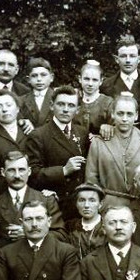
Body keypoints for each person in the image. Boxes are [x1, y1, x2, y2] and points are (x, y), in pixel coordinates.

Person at [24, 85, 89, 218]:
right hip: (53, 205)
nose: (65, 109)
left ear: (77, 110)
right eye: (61, 104)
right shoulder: (38, 135)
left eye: (71, 105)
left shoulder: (82, 133)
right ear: (52, 106)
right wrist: (63, 171)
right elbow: (32, 175)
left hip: (79, 205)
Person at [83, 94, 140, 205]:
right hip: (108, 205)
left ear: (136, 115)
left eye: (129, 114)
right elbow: (91, 179)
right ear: (113, 114)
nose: (124, 119)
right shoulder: (98, 142)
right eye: (120, 113)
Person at [0, 149, 63, 250]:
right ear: (3, 172)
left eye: (21, 169)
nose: (17, 175)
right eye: (11, 170)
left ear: (29, 171)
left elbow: (61, 235)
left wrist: (29, 234)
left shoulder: (46, 200)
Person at [101, 36, 140, 124]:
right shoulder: (106, 85)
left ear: (139, 59)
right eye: (123, 56)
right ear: (117, 59)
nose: (128, 60)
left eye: (132, 56)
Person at [65, 182, 109, 256]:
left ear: (100, 204)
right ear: (76, 203)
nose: (86, 205)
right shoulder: (70, 227)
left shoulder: (108, 227)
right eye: (82, 200)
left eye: (92, 200)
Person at [75, 60, 115, 137]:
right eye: (86, 79)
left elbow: (115, 127)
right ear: (80, 79)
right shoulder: (74, 100)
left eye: (94, 80)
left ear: (101, 81)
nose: (90, 84)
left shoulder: (108, 103)